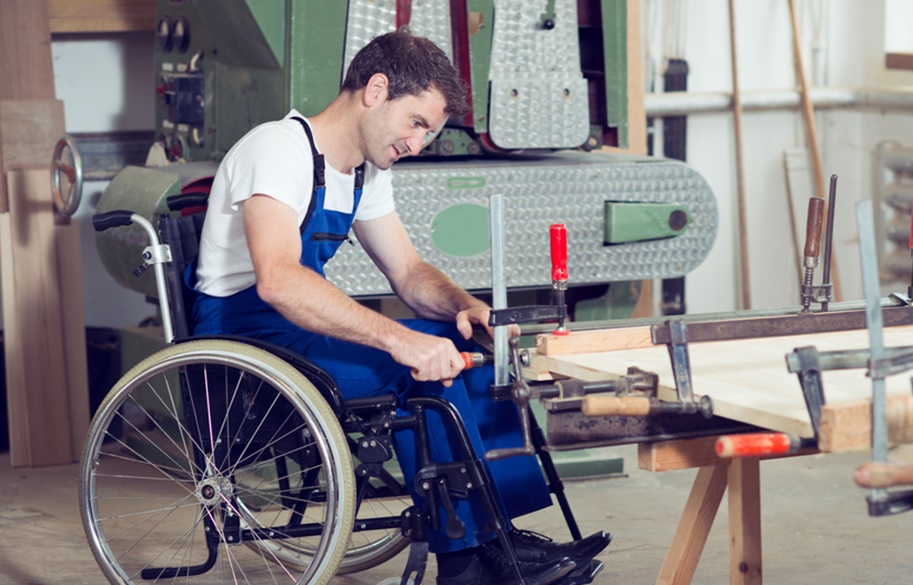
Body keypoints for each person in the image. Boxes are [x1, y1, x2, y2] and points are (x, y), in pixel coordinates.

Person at [190, 31, 609, 585]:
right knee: (414, 361)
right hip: (244, 337)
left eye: (429, 132)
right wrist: (399, 340)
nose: (419, 143)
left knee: (464, 345)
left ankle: (498, 534)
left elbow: (409, 274)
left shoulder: (365, 171)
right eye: (416, 123)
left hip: (296, 328)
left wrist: (464, 307)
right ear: (376, 90)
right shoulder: (278, 149)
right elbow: (280, 281)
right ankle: (466, 562)